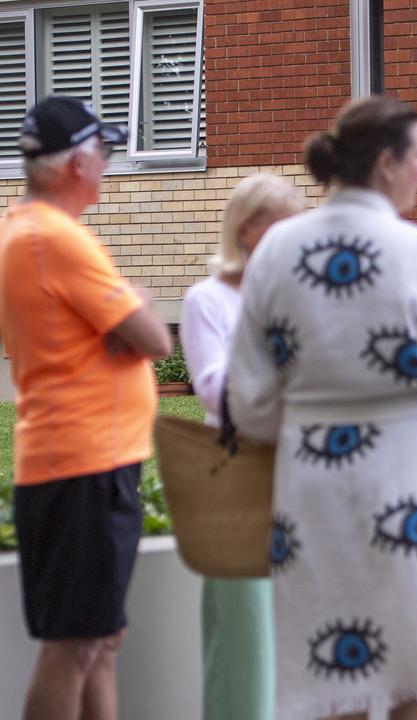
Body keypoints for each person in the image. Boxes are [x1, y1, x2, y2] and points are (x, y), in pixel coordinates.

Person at [225, 96, 417, 720]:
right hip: (407, 471)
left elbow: (248, 398)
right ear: (387, 162)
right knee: (410, 664)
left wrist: (313, 412)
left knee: (333, 660)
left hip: (309, 475)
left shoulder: (277, 251)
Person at [0, 96, 172, 720]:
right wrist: (135, 305)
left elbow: (137, 332)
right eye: (104, 151)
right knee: (74, 646)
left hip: (89, 462)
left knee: (99, 640)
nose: (108, 164)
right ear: (78, 162)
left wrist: (128, 314)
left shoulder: (29, 232)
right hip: (81, 465)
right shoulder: (54, 239)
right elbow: (154, 338)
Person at [180, 173, 306, 720]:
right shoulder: (206, 299)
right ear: (250, 229)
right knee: (243, 631)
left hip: (300, 468)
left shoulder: (297, 296)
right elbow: (212, 388)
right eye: (286, 224)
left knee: (299, 625)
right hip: (236, 471)